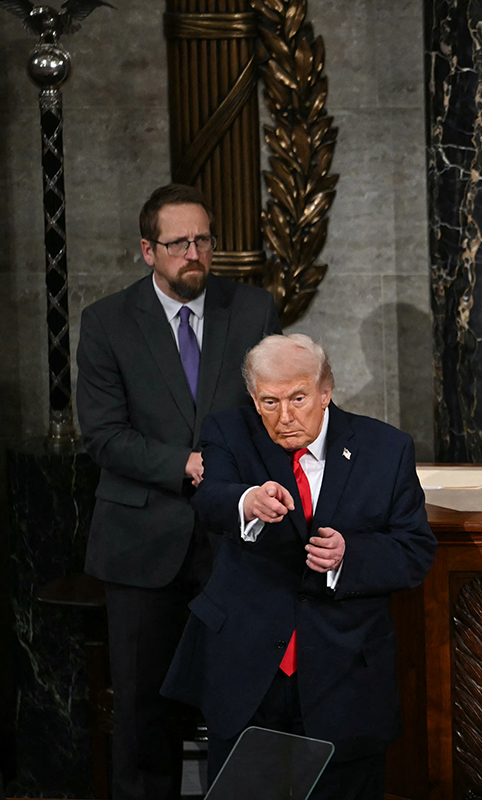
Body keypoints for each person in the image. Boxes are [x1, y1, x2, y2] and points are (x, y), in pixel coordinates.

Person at [161, 334, 437, 800]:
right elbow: (210, 498)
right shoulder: (229, 432)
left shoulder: (385, 448)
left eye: (298, 398)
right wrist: (247, 501)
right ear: (254, 398)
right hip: (248, 674)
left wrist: (349, 556)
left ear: (325, 391)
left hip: (345, 676)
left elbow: (415, 550)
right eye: (269, 401)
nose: (285, 416)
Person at [76, 183, 281, 800]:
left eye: (203, 240)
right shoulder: (107, 322)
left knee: (241, 708)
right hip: (142, 543)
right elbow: (105, 437)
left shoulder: (252, 312)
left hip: (234, 540)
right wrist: (189, 464)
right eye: (178, 243)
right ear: (147, 249)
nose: (193, 253)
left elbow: (272, 414)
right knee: (144, 718)